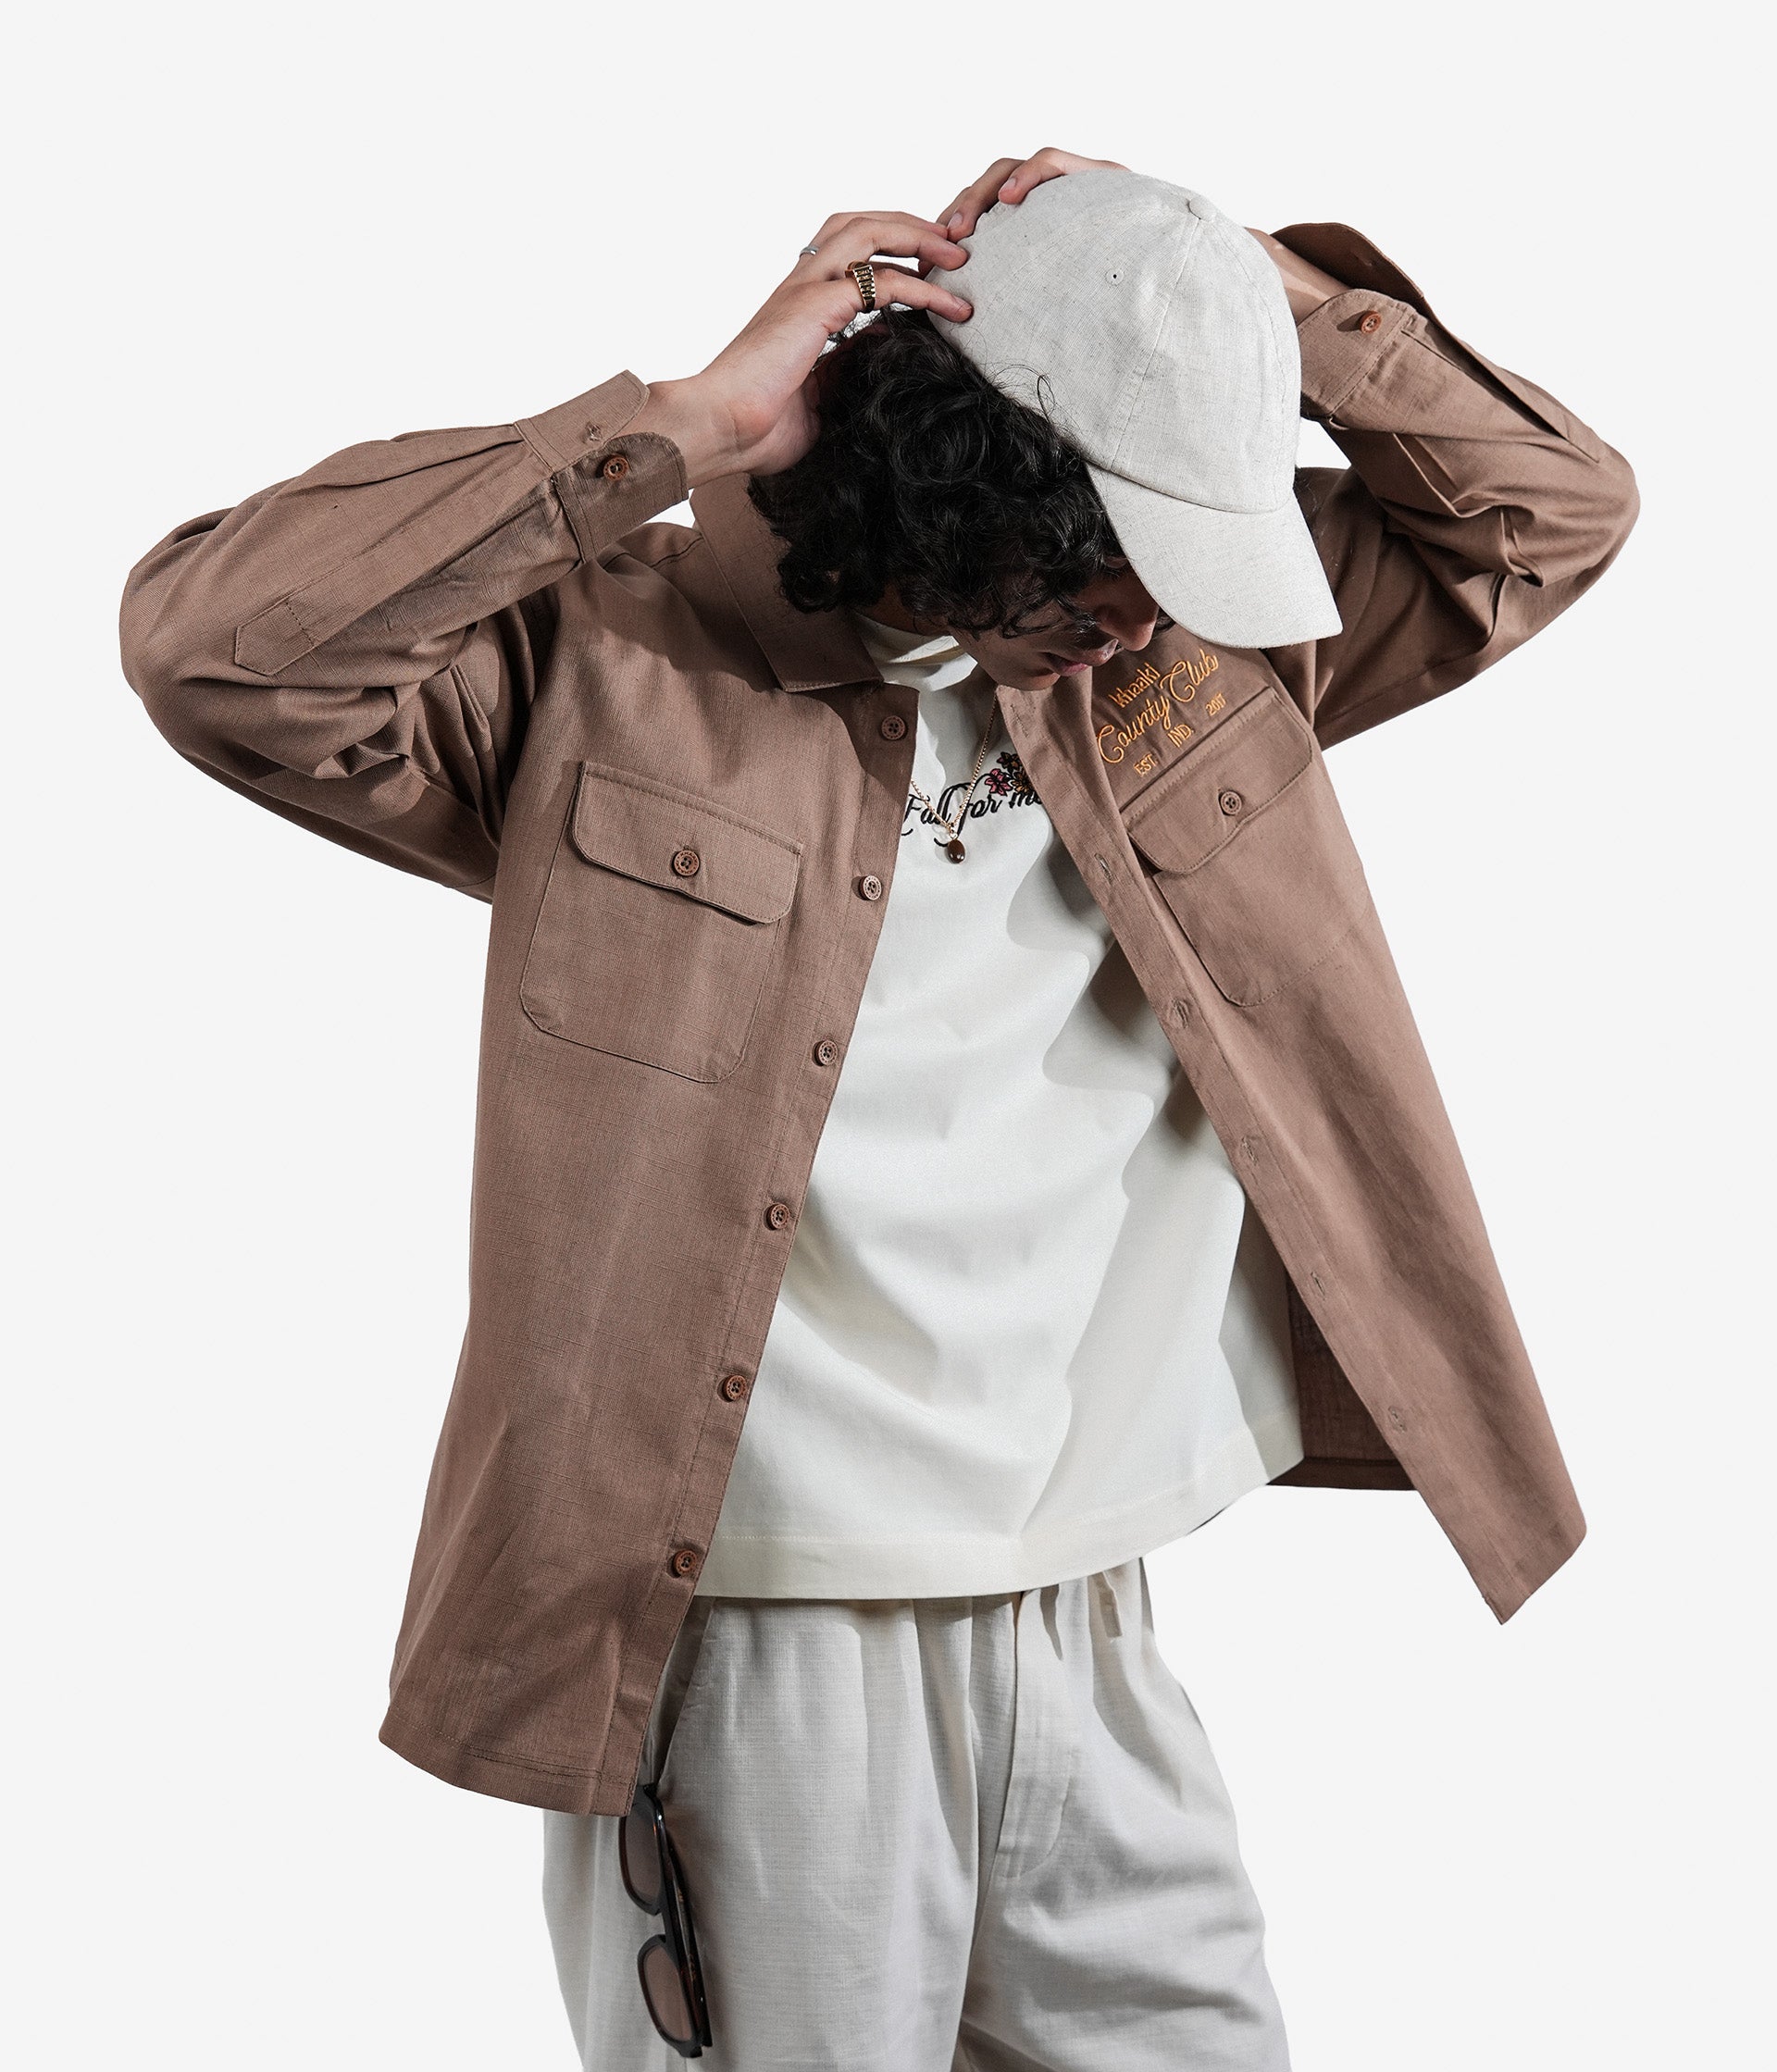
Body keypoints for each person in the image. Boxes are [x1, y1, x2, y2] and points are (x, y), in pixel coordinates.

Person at [120, 146, 1638, 2068]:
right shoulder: (613, 666)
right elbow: (217, 652)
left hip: (1089, 1608)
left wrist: (1222, 289)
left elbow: (1552, 510)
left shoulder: (1193, 651)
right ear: (974, 478)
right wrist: (676, 423)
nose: (1137, 620)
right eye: (1111, 559)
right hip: (757, 1635)